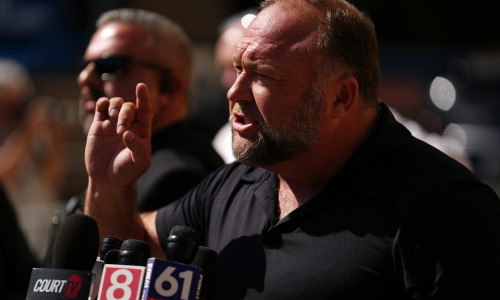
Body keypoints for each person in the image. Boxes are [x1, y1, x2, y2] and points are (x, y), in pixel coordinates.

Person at [83, 1, 500, 299]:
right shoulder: (240, 181)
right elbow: (132, 247)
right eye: (238, 68)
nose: (234, 91)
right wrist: (107, 184)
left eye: (263, 75)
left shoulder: (443, 208)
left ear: (341, 97)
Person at [78, 8, 224, 212]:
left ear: (168, 88)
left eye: (109, 65)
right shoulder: (128, 163)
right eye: (84, 65)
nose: (84, 78)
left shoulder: (178, 178)